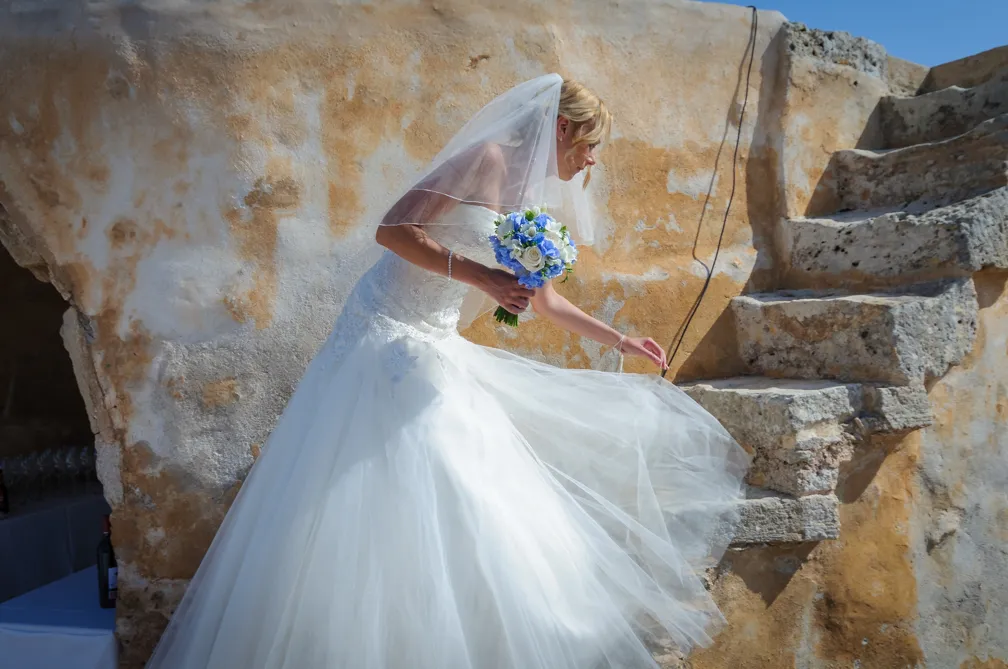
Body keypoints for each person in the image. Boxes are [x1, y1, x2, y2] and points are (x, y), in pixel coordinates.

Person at [146, 73, 750, 669]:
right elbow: (393, 230)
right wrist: (480, 276)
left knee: (469, 478)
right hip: (387, 335)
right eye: (590, 144)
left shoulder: (528, 202)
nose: (592, 160)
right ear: (561, 128)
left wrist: (619, 339)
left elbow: (540, 298)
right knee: (422, 467)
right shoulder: (483, 158)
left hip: (437, 339)